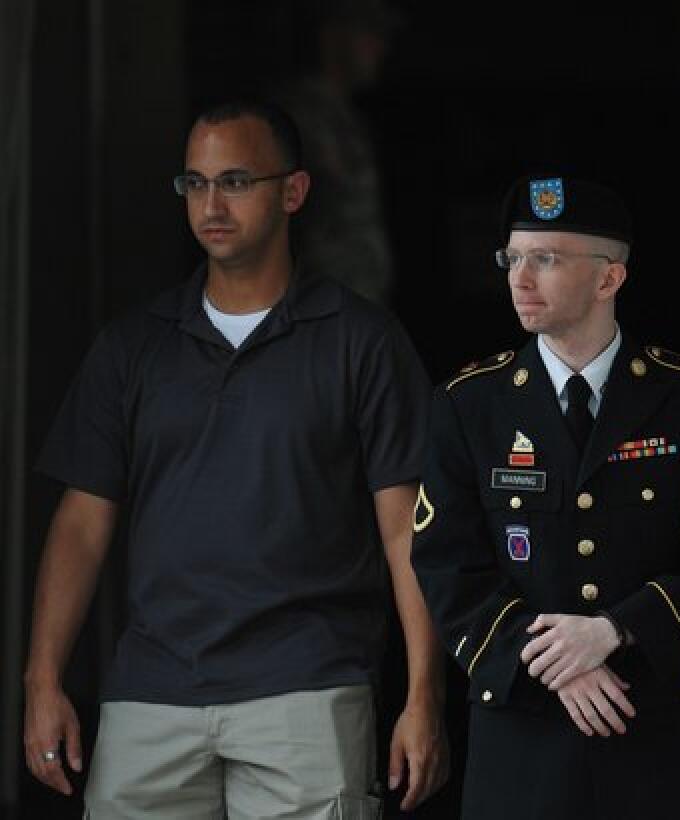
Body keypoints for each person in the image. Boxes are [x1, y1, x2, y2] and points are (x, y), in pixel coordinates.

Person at [21, 99, 447, 818]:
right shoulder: (134, 347)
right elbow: (81, 525)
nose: (211, 204)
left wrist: (423, 696)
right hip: (151, 695)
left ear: (293, 191)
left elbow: (406, 530)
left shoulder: (361, 342)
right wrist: (42, 682)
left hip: (306, 689)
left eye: (237, 181)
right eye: (195, 183)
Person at [410, 175, 680, 819]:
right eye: (511, 258)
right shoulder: (469, 404)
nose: (520, 277)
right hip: (525, 742)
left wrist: (615, 630)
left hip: (656, 737)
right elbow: (444, 565)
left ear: (608, 279)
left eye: (545, 258)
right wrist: (556, 661)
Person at [281, 0, 401, 306]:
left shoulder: (343, 116)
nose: (380, 48)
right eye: (370, 32)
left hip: (353, 309)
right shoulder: (298, 116)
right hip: (316, 313)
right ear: (333, 34)